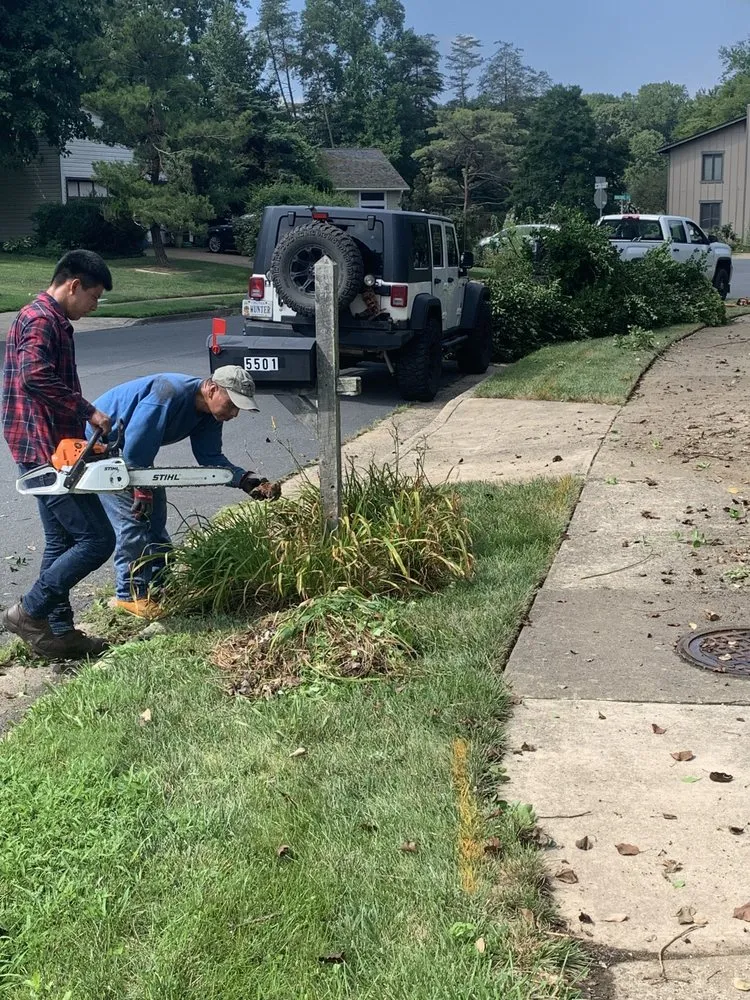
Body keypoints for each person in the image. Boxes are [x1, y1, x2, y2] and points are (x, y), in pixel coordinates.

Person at [89, 367, 277, 618]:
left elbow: (210, 458)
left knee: (156, 519)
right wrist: (141, 489)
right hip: (101, 448)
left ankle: (161, 585)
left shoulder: (210, 414)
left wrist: (244, 479)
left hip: (133, 458)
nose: (234, 413)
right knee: (134, 522)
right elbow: (135, 447)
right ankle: (130, 595)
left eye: (238, 409)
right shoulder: (167, 394)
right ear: (212, 389)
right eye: (232, 404)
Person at [2, 250, 116, 659]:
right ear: (73, 285)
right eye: (94, 296)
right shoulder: (40, 319)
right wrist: (90, 411)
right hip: (41, 449)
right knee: (97, 539)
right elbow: (35, 377)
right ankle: (28, 612)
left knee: (61, 539)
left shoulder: (51, 320)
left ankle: (58, 632)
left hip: (50, 445)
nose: (95, 305)